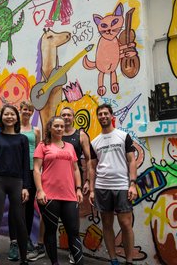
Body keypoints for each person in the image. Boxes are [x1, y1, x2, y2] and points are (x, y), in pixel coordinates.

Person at [89, 104, 138, 265]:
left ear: (111, 116)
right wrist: (91, 189)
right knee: (107, 224)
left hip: (122, 186)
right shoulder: (95, 142)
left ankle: (129, 261)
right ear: (98, 117)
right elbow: (92, 167)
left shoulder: (123, 136)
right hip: (102, 187)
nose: (103, 116)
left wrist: (133, 184)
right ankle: (113, 260)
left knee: (125, 224)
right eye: (100, 114)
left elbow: (132, 161)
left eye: (105, 113)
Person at [33, 116, 84, 265]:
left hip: (69, 195)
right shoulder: (43, 145)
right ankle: (55, 263)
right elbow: (36, 169)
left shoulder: (70, 147)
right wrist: (40, 190)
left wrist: (79, 189)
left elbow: (75, 169)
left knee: (73, 232)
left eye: (62, 126)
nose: (60, 128)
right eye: (56, 126)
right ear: (50, 128)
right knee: (50, 231)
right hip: (49, 196)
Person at [0, 104, 31, 265]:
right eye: (6, 114)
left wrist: (26, 186)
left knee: (20, 220)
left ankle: (24, 259)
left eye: (12, 114)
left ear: (16, 118)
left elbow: (26, 164)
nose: (9, 117)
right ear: (2, 118)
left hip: (17, 182)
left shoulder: (22, 139)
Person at [7, 101, 44, 261]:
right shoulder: (14, 129)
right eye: (24, 109)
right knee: (15, 206)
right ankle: (14, 242)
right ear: (20, 111)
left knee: (28, 207)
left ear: (32, 112)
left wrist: (39, 172)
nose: (27, 112)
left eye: (30, 110)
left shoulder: (36, 131)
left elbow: (38, 152)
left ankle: (26, 238)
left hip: (30, 171)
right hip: (15, 171)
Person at [60, 107, 92, 264]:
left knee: (73, 217)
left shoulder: (80, 135)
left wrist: (88, 181)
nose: (66, 117)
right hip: (56, 181)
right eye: (63, 115)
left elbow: (89, 160)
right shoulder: (55, 133)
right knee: (52, 216)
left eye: (68, 115)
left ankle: (74, 250)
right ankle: (42, 246)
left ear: (73, 117)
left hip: (74, 181)